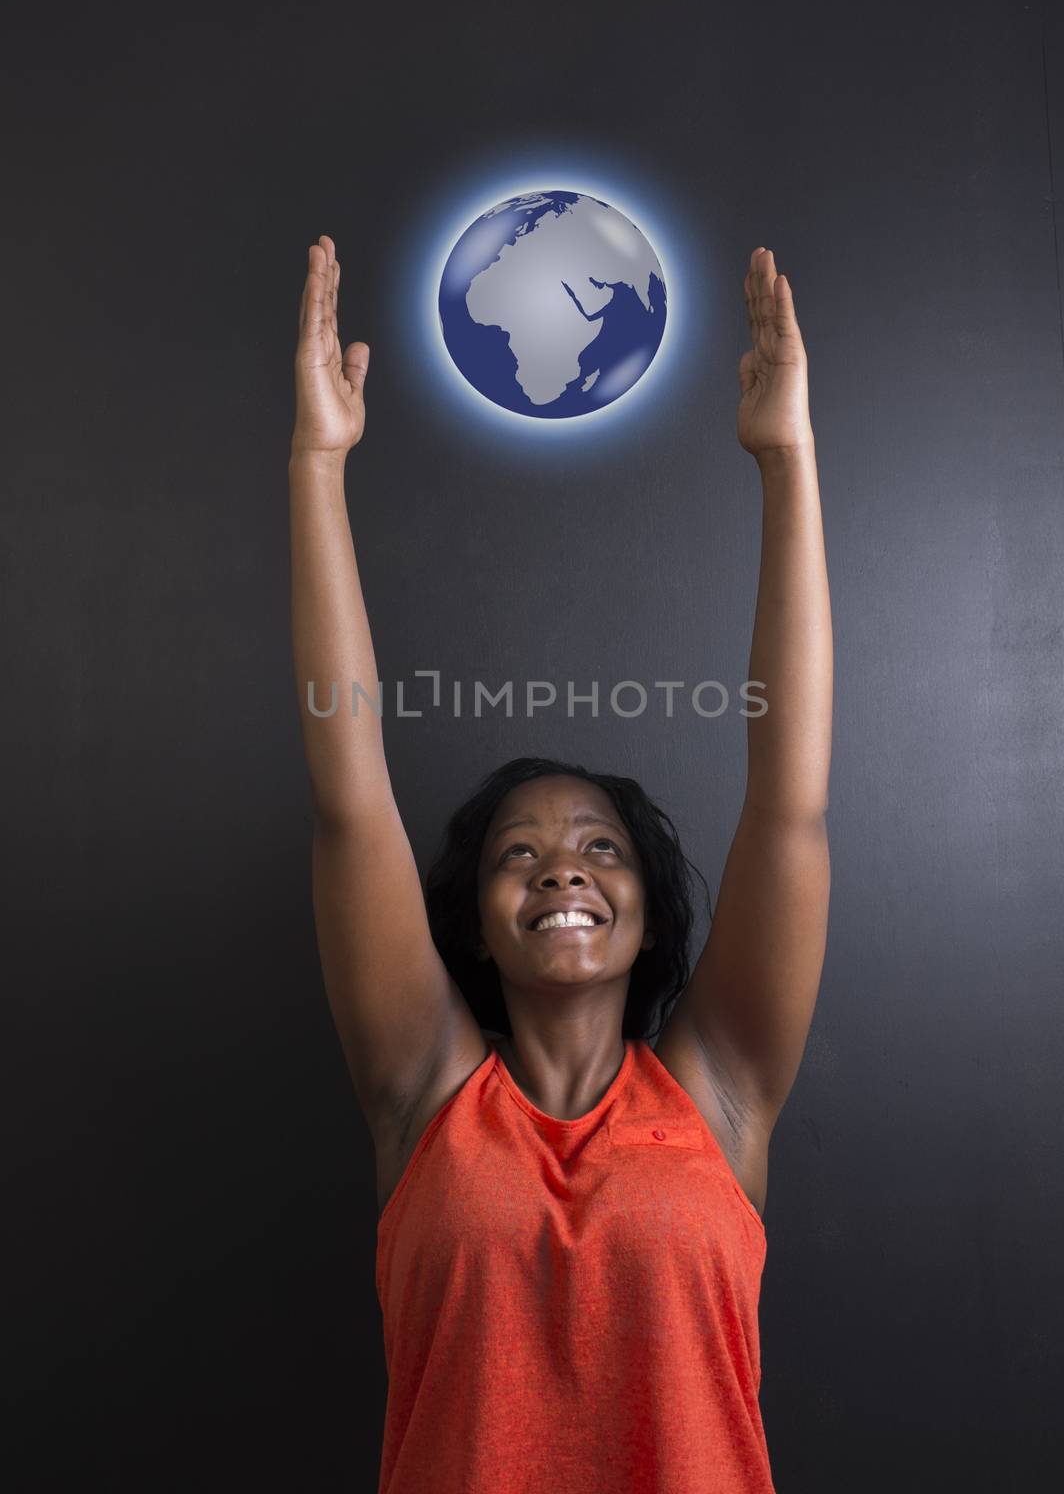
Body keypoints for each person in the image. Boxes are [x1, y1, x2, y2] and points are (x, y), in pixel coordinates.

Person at [289, 235, 832, 1494]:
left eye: (597, 847)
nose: (559, 869)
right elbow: (351, 804)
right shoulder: (421, 1092)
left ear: (646, 911)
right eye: (517, 853)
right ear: (473, 921)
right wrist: (319, 462)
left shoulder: (720, 1094)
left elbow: (790, 806)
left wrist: (787, 460)